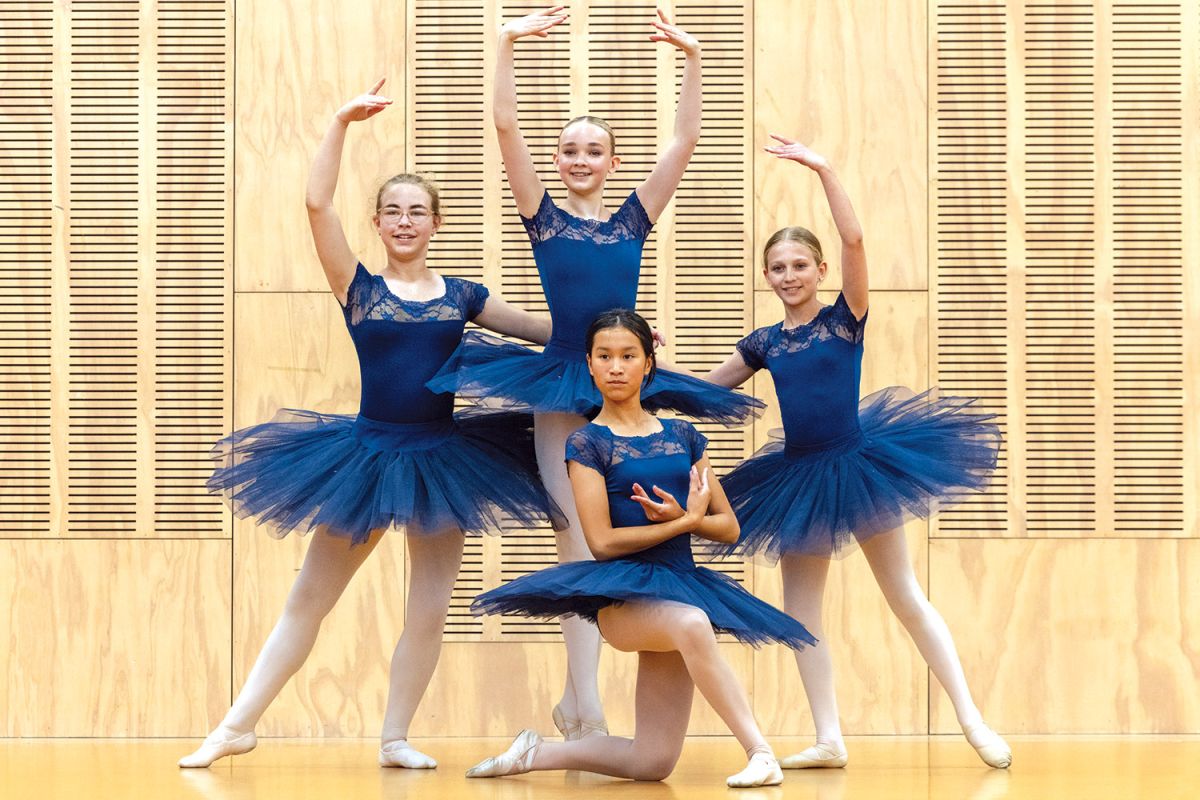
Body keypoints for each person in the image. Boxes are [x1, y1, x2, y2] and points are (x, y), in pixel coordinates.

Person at [179, 80, 563, 770]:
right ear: (379, 225)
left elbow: (547, 332)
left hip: (445, 461)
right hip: (366, 456)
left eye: (418, 211)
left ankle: (394, 737)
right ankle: (235, 725)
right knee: (310, 599)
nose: (406, 221)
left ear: (436, 223)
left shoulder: (465, 295)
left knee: (427, 607)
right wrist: (338, 122)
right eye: (393, 212)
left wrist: (616, 329)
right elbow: (316, 203)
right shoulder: (361, 289)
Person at [428, 5, 761, 741]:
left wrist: (695, 57)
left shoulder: (632, 221)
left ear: (611, 163)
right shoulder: (542, 217)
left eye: (593, 151)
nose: (579, 160)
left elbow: (685, 140)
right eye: (570, 150)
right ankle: (583, 703)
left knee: (621, 530)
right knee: (575, 535)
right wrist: (506, 44)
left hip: (623, 380)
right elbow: (506, 128)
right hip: (559, 383)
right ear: (559, 161)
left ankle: (586, 700)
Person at [705, 135, 1011, 770]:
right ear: (767, 277)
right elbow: (705, 392)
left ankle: (971, 718)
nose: (789, 276)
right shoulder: (764, 341)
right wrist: (643, 361)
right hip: (797, 477)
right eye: (778, 268)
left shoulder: (845, 318)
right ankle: (829, 736)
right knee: (800, 608)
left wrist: (823, 169)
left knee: (903, 592)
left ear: (819, 272)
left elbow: (855, 242)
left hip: (859, 465)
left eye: (799, 266)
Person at [466, 310, 813, 788]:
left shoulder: (684, 436)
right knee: (692, 623)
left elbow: (729, 527)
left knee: (652, 763)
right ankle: (761, 752)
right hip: (622, 601)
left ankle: (534, 753)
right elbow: (602, 543)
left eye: (628, 356)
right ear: (588, 364)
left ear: (648, 364)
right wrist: (686, 521)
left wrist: (687, 520)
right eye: (604, 356)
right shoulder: (587, 442)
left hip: (679, 588)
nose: (615, 366)